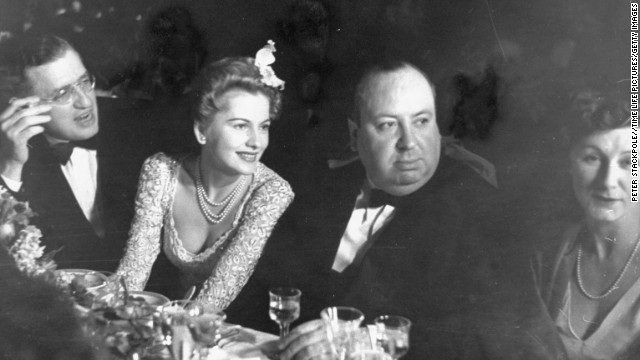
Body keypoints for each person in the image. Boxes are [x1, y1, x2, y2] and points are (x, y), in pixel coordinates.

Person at [229, 61, 565, 359]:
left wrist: (366, 340)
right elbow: (262, 294)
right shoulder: (321, 193)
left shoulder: (481, 209)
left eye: (421, 121)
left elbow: (507, 338)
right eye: (388, 125)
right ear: (356, 136)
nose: (409, 142)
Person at [116, 46, 294, 310]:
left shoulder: (272, 191)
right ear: (202, 130)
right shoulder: (161, 172)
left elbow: (220, 292)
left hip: (244, 330)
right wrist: (113, 315)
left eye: (264, 126)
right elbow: (133, 270)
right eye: (240, 125)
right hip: (175, 324)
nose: (256, 142)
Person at [0, 34, 152, 271]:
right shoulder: (13, 155)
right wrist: (12, 167)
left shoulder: (135, 124)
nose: (85, 101)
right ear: (25, 108)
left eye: (84, 81)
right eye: (62, 94)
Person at [534, 91, 639, 359]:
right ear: (569, 164)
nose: (607, 181)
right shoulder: (546, 249)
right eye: (591, 158)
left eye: (628, 162)